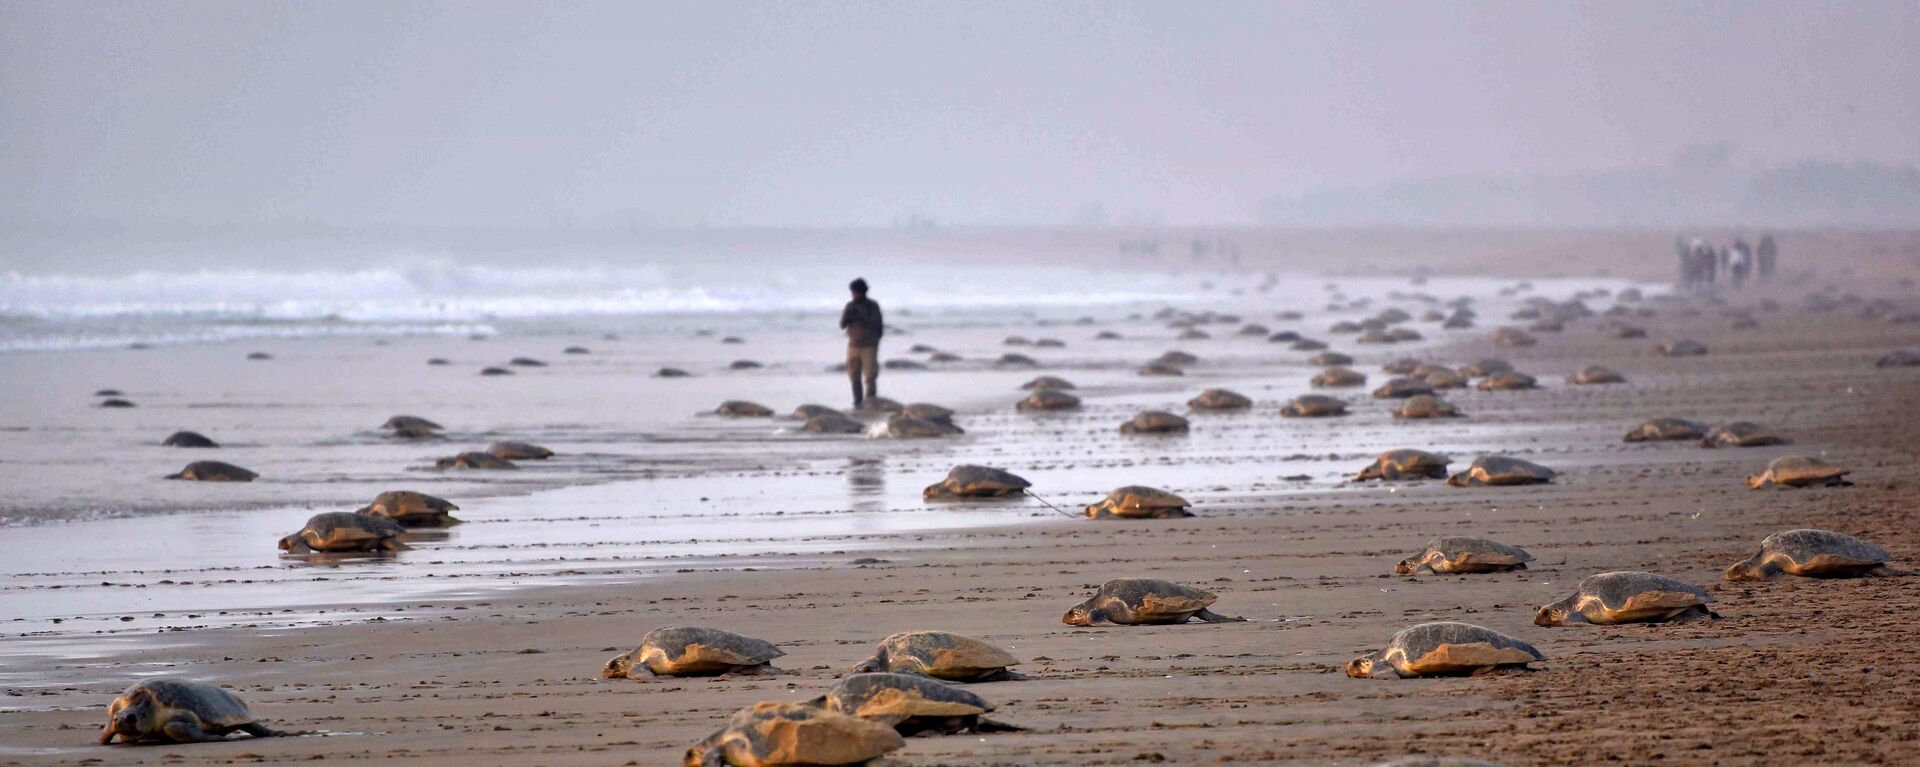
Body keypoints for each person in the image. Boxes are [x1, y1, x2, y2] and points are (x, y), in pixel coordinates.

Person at [839, 278, 883, 408]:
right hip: (853, 346)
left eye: (856, 292)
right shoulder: (850, 306)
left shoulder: (872, 306)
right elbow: (842, 325)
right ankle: (857, 402)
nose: (854, 295)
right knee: (854, 375)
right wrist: (848, 316)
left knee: (870, 376)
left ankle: (870, 402)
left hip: (869, 345)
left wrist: (860, 317)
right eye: (853, 292)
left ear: (863, 292)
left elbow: (875, 323)